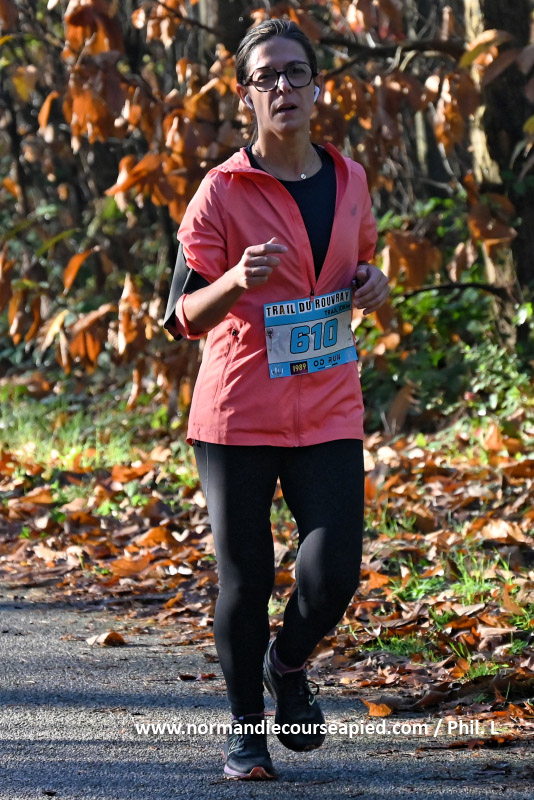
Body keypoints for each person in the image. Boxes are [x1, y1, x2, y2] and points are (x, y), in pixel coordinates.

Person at [163, 18, 390, 781]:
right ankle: (245, 734)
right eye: (267, 77)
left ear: (318, 87)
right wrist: (235, 280)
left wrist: (373, 283)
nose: (284, 87)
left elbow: (357, 267)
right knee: (248, 578)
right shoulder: (222, 191)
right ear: (246, 96)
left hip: (329, 406)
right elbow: (182, 315)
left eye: (296, 73)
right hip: (238, 413)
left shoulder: (351, 180)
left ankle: (286, 663)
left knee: (333, 575)